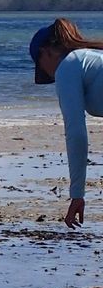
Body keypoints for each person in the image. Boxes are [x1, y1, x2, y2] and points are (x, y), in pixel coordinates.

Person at [30, 18, 103, 229]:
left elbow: (76, 134)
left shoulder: (68, 66)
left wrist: (77, 194)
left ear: (47, 52)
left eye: (40, 64)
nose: (46, 73)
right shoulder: (90, 59)